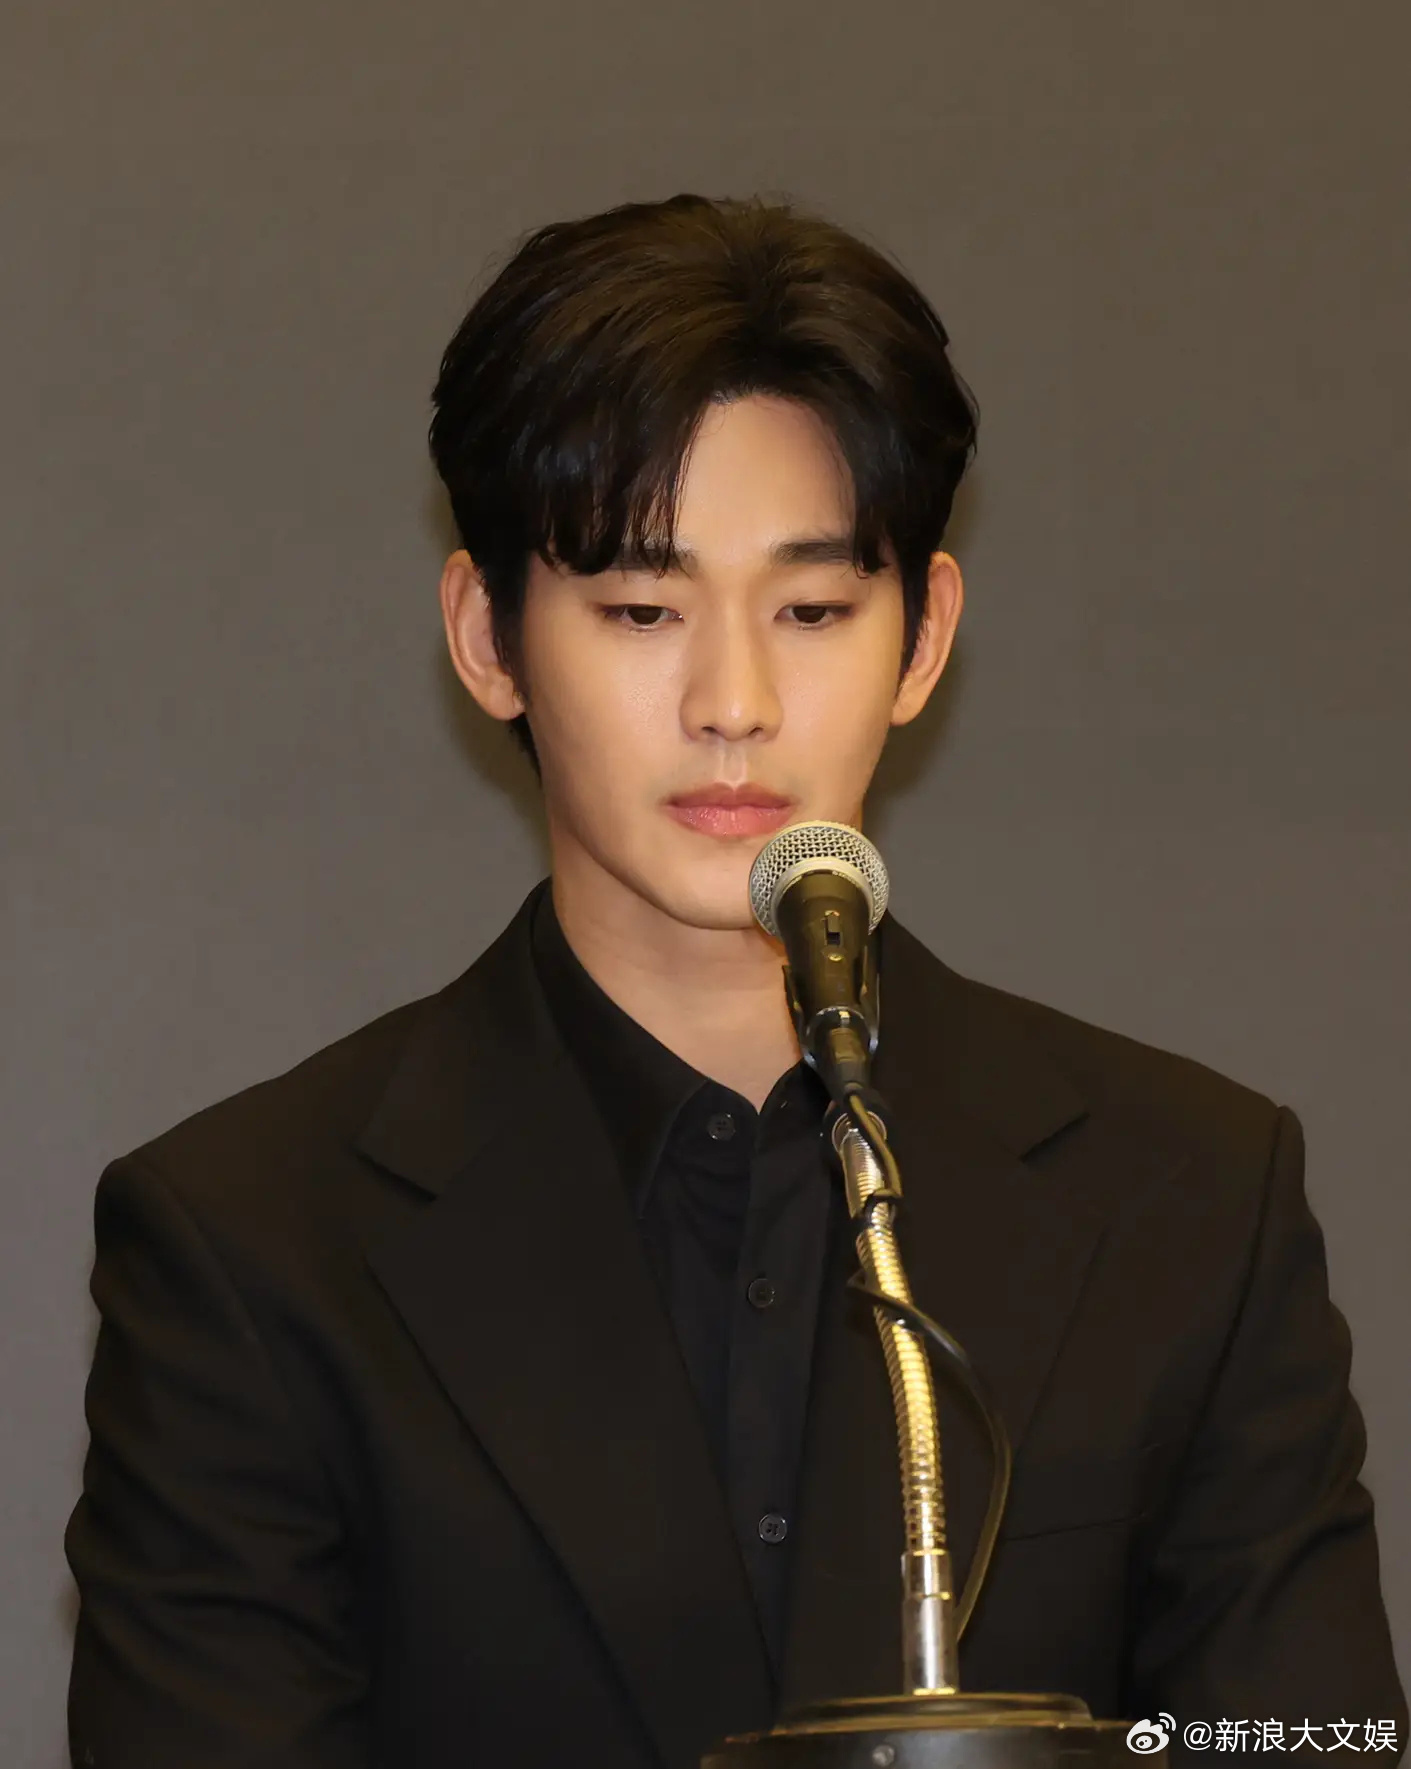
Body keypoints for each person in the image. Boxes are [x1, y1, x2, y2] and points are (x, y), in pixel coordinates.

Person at [65, 193, 1405, 1768]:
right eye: (642, 609)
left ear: (924, 639)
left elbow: (1306, 1742)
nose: (735, 702)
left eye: (815, 610)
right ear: (489, 637)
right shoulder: (252, 1245)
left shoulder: (1191, 1199)